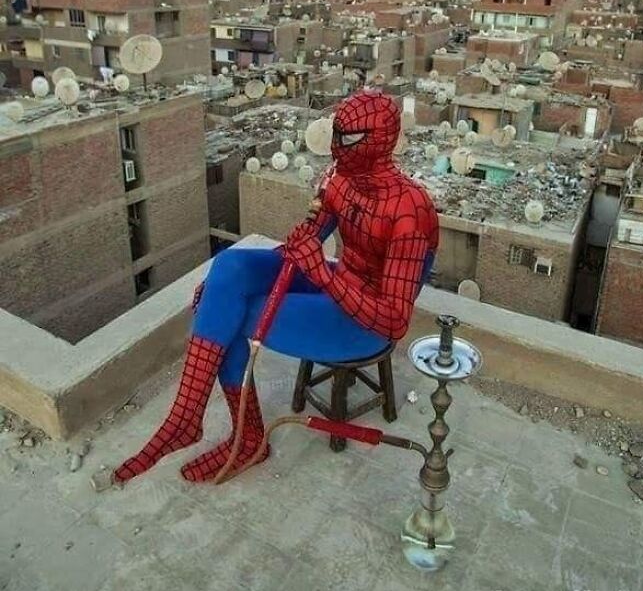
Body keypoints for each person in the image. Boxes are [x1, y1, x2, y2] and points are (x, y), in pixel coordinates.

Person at [112, 89, 439, 484]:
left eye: (348, 139)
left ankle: (250, 439)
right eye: (335, 134)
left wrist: (319, 272)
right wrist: (221, 287)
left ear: (381, 139)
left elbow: (392, 320)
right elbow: (308, 242)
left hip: (363, 323)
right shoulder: (339, 179)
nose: (336, 148)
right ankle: (186, 414)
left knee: (237, 319)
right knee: (229, 269)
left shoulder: (411, 210)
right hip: (335, 281)